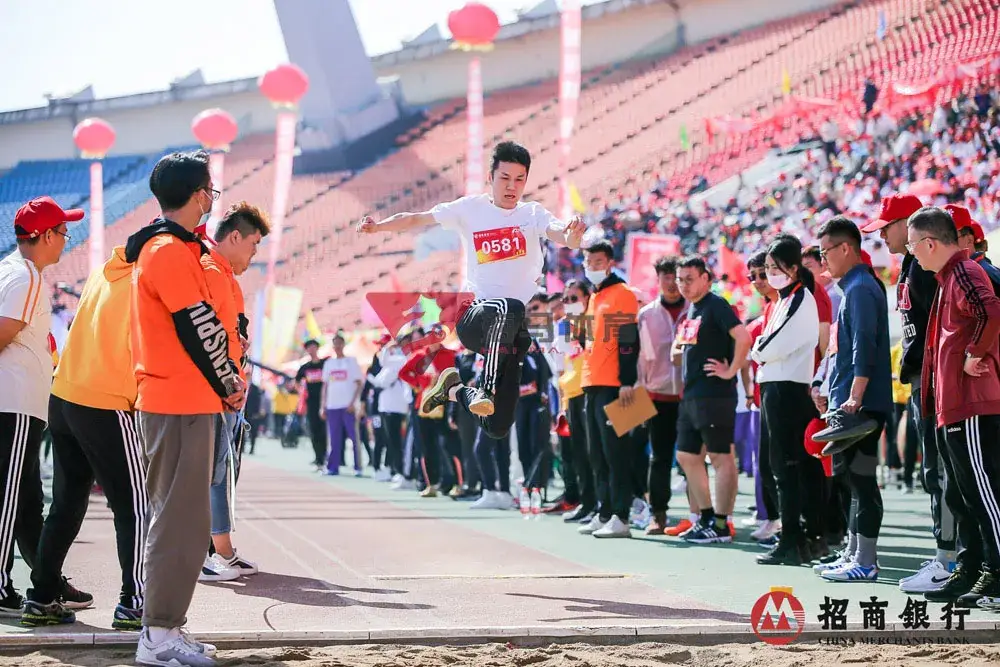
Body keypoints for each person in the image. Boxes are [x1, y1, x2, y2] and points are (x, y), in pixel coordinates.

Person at [357, 141, 585, 441]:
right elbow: (416, 218)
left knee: (497, 426)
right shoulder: (470, 209)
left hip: (510, 331)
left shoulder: (532, 213)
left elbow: (563, 235)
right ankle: (485, 390)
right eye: (505, 178)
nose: (512, 186)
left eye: (519, 179)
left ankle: (452, 388)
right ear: (490, 177)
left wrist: (572, 235)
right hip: (474, 317)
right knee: (509, 306)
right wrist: (379, 227)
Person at [128, 150, 244, 667]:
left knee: (187, 520)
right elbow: (197, 323)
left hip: (186, 399)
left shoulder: (171, 247)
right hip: (178, 400)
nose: (211, 199)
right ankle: (158, 634)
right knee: (179, 522)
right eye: (210, 191)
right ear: (199, 195)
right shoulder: (168, 250)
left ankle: (167, 625)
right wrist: (229, 381)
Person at [860, 193, 956, 593]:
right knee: (935, 471)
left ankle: (950, 560)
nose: (881, 235)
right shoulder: (910, 267)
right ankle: (948, 556)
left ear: (908, 224)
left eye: (887, 227)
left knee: (942, 471)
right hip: (922, 381)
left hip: (936, 383)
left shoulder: (926, 268)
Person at [907, 207, 1000, 609]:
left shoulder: (963, 272)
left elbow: (991, 310)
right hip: (955, 406)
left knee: (984, 492)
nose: (911, 253)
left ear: (929, 243)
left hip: (973, 403)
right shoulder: (949, 277)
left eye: (912, 245)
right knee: (964, 497)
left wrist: (974, 353)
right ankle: (973, 567)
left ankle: (996, 573)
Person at [0, 197, 83, 617]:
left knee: (27, 502)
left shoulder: (11, 270)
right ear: (46, 235)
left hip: (19, 404)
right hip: (13, 403)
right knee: (9, 498)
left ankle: (45, 581)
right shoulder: (27, 275)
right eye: (63, 232)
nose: (66, 239)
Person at [813, 216, 892, 583]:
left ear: (846, 248)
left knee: (861, 481)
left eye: (825, 252)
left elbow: (864, 345)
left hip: (861, 406)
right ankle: (853, 552)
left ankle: (866, 560)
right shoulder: (854, 287)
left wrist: (855, 396)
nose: (823, 259)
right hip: (850, 401)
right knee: (850, 480)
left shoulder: (860, 288)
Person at [198, 202, 269, 583]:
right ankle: (208, 552)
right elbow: (204, 336)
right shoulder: (210, 271)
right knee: (213, 473)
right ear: (235, 237)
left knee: (223, 471)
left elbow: (229, 334)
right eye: (254, 244)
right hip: (215, 392)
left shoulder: (226, 277)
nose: (255, 253)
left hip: (228, 390)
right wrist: (226, 381)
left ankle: (219, 549)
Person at [671, 256, 750, 545]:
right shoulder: (692, 310)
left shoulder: (716, 305)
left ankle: (720, 523)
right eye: (680, 279)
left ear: (706, 278)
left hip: (715, 394)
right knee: (686, 456)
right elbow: (679, 351)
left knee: (720, 456)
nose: (683, 285)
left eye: (689, 279)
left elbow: (743, 337)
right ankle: (705, 518)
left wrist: (730, 370)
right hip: (692, 394)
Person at [752, 236, 821, 566]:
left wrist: (758, 351)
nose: (770, 274)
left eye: (776, 267)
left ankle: (793, 538)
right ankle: (793, 536)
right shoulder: (783, 300)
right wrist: (761, 349)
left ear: (794, 268)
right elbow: (767, 343)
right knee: (778, 466)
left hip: (787, 388)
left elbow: (771, 345)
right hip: (775, 386)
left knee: (787, 467)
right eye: (767, 268)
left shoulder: (800, 298)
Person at [576, 241, 639, 539]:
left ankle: (621, 516)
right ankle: (604, 512)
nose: (592, 267)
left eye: (598, 262)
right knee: (596, 454)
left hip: (614, 384)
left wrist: (627, 381)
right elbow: (590, 340)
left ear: (610, 263)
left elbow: (628, 339)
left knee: (616, 453)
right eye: (588, 262)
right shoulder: (595, 296)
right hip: (591, 382)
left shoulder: (622, 294)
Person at [637, 256, 688, 535]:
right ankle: (658, 515)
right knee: (659, 458)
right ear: (657, 280)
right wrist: (640, 394)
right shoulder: (646, 315)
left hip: (691, 396)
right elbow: (641, 359)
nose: (671, 283)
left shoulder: (695, 309)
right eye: (665, 277)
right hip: (657, 396)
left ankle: (701, 516)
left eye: (675, 277)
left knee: (693, 457)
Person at [742, 251, 780, 544]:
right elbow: (744, 361)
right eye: (752, 276)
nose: (757, 281)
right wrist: (747, 392)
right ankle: (769, 516)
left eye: (762, 274)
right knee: (763, 463)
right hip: (760, 398)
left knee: (780, 463)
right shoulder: (763, 315)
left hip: (784, 396)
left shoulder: (790, 305)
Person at [556, 280, 598, 524]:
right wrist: (562, 402)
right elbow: (563, 365)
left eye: (575, 298)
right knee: (578, 453)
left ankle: (601, 504)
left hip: (590, 391)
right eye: (566, 299)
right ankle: (587, 503)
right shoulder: (563, 327)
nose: (570, 303)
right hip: (571, 394)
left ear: (587, 298)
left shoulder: (594, 322)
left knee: (594, 452)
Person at [320, 334, 363, 475]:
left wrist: (353, 402)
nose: (337, 346)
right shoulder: (328, 363)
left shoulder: (351, 362)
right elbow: (325, 386)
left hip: (348, 406)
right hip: (332, 406)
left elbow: (359, 384)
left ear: (343, 345)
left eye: (339, 343)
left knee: (354, 437)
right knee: (334, 438)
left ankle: (357, 467)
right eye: (335, 344)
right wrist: (323, 405)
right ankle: (333, 467)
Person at [296, 340, 328, 470]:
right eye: (309, 347)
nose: (312, 349)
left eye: (314, 347)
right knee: (314, 431)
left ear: (317, 348)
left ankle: (325, 457)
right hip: (311, 403)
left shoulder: (325, 364)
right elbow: (297, 381)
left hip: (325, 402)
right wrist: (302, 392)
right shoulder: (305, 367)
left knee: (324, 431)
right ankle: (318, 458)